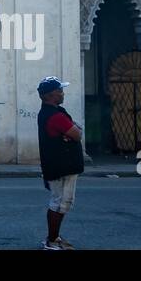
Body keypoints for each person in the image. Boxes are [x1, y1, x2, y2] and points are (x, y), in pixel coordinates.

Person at [37, 76, 84, 250]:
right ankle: (51, 240)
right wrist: (72, 132)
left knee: (62, 202)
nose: (62, 93)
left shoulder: (55, 112)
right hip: (61, 166)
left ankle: (54, 237)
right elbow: (77, 134)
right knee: (59, 202)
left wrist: (71, 132)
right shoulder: (54, 116)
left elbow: (75, 131)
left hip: (62, 165)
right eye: (59, 90)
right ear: (50, 95)